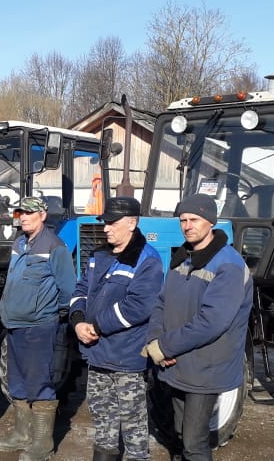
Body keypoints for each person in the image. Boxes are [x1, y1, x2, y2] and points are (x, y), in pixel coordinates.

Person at [143, 193, 253, 461]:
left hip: (206, 367)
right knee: (180, 435)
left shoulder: (229, 265)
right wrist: (155, 338)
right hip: (178, 362)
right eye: (183, 220)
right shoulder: (183, 259)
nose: (187, 226)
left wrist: (165, 346)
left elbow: (212, 322)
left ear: (210, 222)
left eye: (194, 219)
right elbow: (162, 302)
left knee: (194, 442)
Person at [68, 197, 163, 461]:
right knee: (102, 423)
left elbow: (138, 306)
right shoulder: (99, 255)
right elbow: (81, 290)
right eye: (104, 222)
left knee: (133, 428)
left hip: (127, 359)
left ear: (132, 223)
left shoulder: (147, 260)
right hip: (97, 354)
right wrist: (78, 321)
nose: (106, 228)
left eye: (112, 223)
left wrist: (97, 326)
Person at [0, 196, 77, 460]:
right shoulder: (19, 243)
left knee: (39, 381)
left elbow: (68, 288)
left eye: (30, 213)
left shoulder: (54, 246)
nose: (24, 218)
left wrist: (52, 313)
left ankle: (42, 443)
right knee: (16, 381)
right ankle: (22, 433)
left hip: (39, 326)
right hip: (14, 323)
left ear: (43, 215)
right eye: (21, 213)